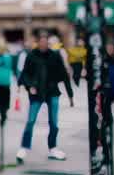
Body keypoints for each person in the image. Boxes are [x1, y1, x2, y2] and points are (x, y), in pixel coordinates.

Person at [16, 31, 74, 162]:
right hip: (36, 92)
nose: (43, 45)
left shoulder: (55, 56)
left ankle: (53, 148)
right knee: (30, 121)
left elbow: (64, 75)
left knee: (54, 122)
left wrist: (70, 95)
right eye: (41, 42)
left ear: (48, 44)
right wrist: (29, 86)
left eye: (45, 43)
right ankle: (24, 147)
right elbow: (25, 74)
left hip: (52, 91)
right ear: (38, 43)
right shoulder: (32, 56)